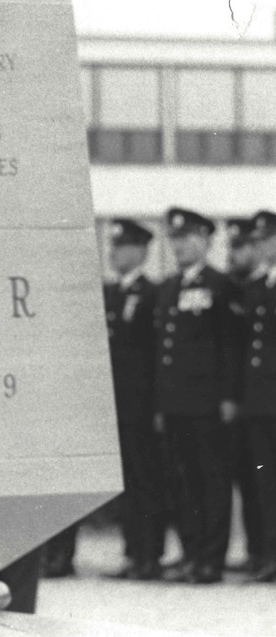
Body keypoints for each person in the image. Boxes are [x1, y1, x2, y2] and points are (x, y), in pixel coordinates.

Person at [154, 207, 243, 584]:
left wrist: (227, 397)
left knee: (211, 480)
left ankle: (210, 559)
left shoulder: (222, 286)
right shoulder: (169, 287)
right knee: (182, 482)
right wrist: (160, 404)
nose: (180, 246)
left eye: (188, 238)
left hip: (208, 404)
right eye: (175, 239)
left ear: (206, 241)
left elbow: (231, 346)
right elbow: (164, 352)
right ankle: (191, 553)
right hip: (175, 404)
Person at [102, 219, 166, 580]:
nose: (114, 253)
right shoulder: (110, 294)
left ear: (141, 251)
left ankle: (149, 554)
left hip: (141, 405)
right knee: (126, 482)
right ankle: (132, 553)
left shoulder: (152, 293)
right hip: (117, 407)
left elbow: (156, 355)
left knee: (147, 480)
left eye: (123, 246)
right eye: (112, 246)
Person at [225, 216, 265, 575]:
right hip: (250, 401)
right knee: (253, 481)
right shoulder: (245, 289)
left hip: (265, 402)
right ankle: (258, 551)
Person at [238, 210, 276, 582]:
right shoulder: (257, 286)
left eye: (268, 239)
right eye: (259, 241)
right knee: (264, 483)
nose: (263, 247)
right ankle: (267, 554)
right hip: (260, 401)